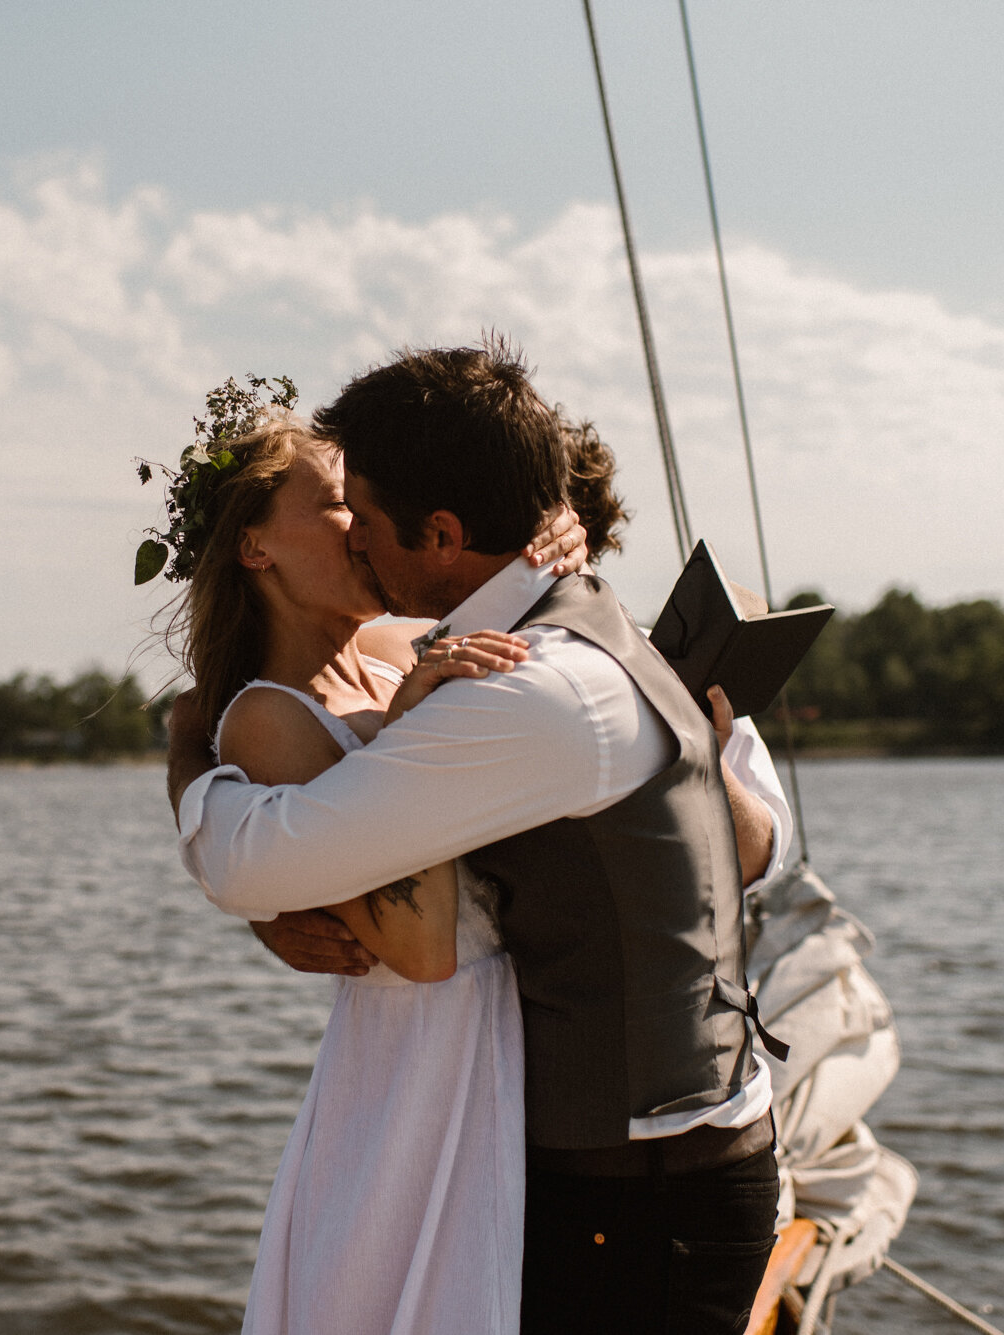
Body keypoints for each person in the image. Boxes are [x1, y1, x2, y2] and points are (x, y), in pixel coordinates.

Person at [169, 340, 794, 1335]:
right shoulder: (563, 635)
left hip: (636, 1188)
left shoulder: (519, 690)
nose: (355, 539)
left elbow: (251, 859)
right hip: (622, 1157)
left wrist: (196, 787)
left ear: (443, 532)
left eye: (362, 517)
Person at [143, 392, 590, 1334]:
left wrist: (555, 534)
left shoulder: (397, 646)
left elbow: (507, 564)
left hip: (519, 1029)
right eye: (338, 501)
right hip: (425, 1059)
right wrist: (416, 723)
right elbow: (422, 944)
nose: (365, 521)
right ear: (256, 546)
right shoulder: (271, 718)